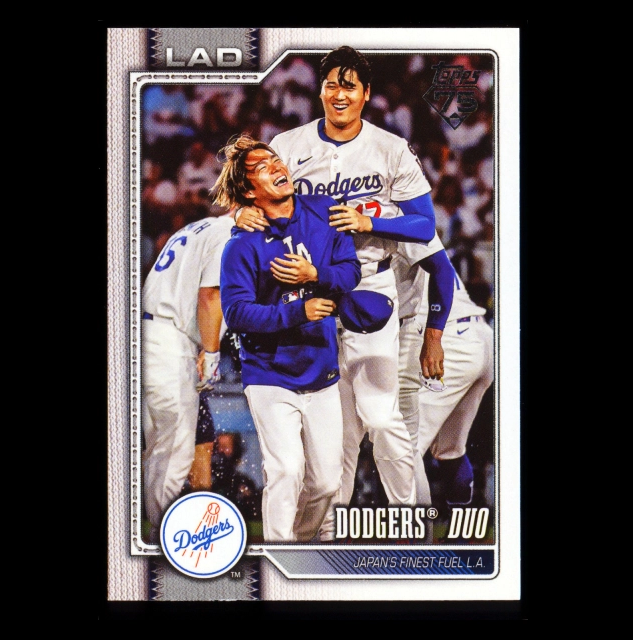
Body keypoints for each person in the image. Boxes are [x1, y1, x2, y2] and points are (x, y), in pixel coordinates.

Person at [235, 46, 444, 540]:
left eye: (349, 85)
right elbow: (255, 192)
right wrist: (240, 213)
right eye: (331, 84)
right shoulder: (289, 144)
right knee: (341, 436)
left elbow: (425, 225)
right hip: (306, 290)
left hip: (368, 285)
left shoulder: (390, 147)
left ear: (366, 93)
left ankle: (409, 527)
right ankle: (322, 542)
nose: (339, 94)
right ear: (320, 90)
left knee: (380, 416)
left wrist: (371, 222)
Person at [214, 134, 362, 542]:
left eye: (275, 160)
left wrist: (315, 275)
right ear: (248, 191)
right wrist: (298, 311)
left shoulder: (324, 211)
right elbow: (236, 314)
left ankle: (300, 543)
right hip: (268, 373)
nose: (276, 167)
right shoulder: (241, 245)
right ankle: (280, 554)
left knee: (327, 482)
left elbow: (350, 271)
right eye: (262, 168)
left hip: (321, 367)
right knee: (285, 470)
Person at [141, 208, 234, 544]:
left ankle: (157, 535)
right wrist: (211, 351)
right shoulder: (227, 234)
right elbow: (211, 296)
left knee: (159, 451)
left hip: (152, 334)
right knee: (176, 453)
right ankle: (163, 543)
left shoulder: (197, 227)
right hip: (171, 341)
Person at [394, 234, 493, 519]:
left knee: (404, 447)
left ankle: (414, 535)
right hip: (480, 336)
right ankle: (460, 535)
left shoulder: (393, 236)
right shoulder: (417, 234)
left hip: (451, 342)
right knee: (450, 450)